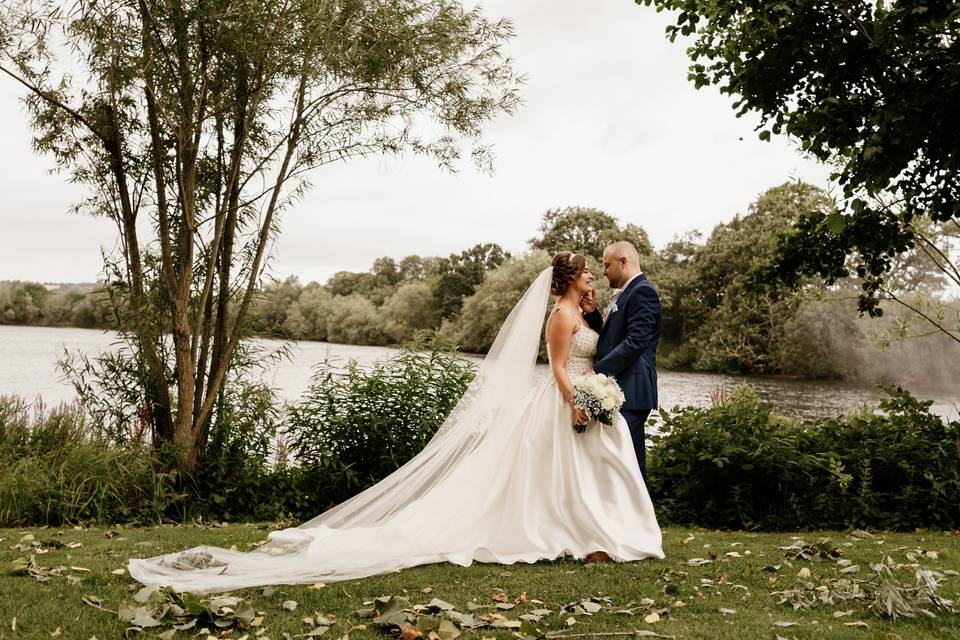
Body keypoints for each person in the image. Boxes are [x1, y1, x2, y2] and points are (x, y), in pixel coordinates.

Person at [128, 252, 662, 593]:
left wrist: (594, 391)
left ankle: (605, 534)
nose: (594, 277)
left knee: (600, 471)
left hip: (594, 399)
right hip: (566, 399)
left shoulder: (586, 311)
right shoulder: (560, 317)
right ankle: (579, 533)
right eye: (588, 272)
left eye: (596, 272)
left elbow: (597, 346)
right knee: (564, 475)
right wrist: (576, 401)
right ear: (571, 279)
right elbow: (562, 367)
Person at [582, 241, 661, 483]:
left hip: (632, 390)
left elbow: (636, 342)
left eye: (607, 265)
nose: (603, 271)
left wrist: (595, 372)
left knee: (630, 465)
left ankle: (641, 518)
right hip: (619, 389)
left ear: (623, 261)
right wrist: (593, 313)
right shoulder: (628, 292)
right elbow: (612, 338)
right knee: (618, 462)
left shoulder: (642, 291)